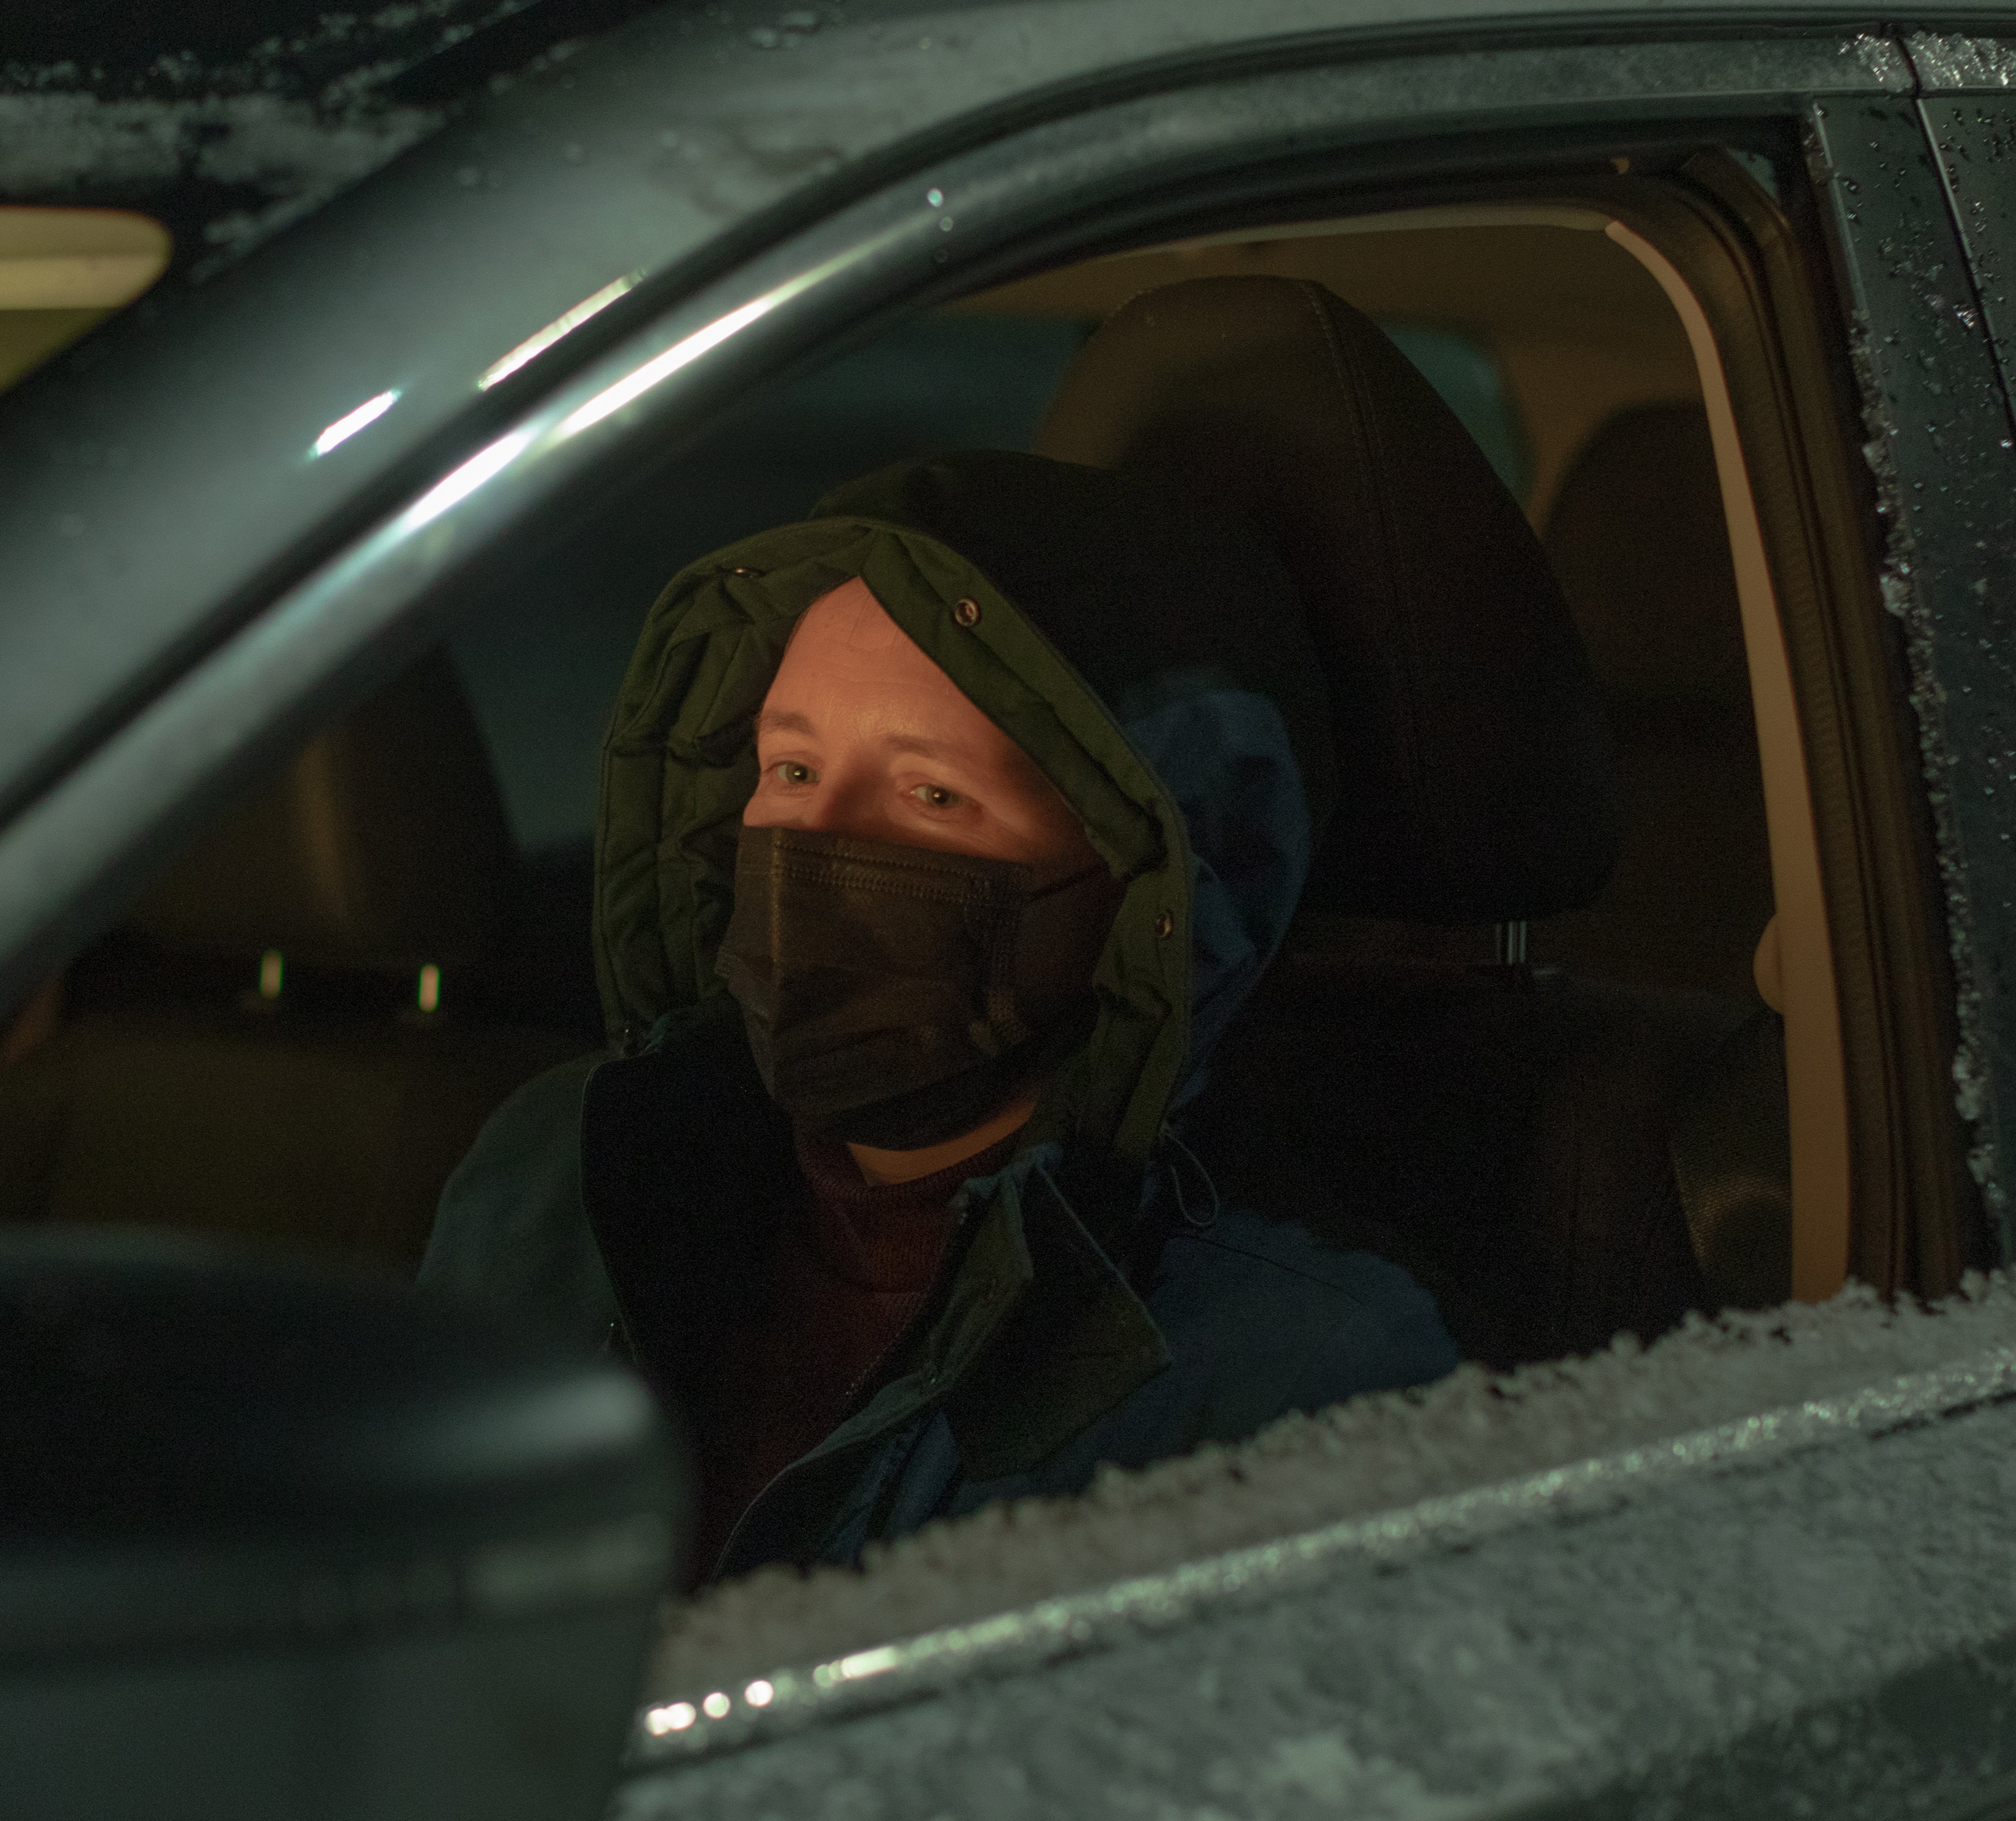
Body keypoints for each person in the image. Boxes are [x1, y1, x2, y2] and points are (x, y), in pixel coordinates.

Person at [420, 448, 1455, 1584]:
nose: (816, 846)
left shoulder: (1295, 1373)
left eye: (930, 794)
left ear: (1142, 881)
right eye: (793, 769)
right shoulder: (553, 1176)